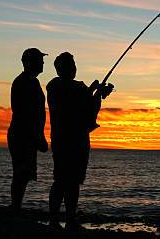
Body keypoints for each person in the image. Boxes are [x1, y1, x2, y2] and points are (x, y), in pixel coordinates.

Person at [47, 52, 114, 230]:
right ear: (60, 68)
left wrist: (99, 93)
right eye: (70, 65)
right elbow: (74, 103)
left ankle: (70, 219)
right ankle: (53, 220)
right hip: (63, 139)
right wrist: (92, 91)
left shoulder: (79, 87)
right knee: (61, 180)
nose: (73, 68)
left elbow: (89, 107)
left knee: (75, 180)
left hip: (80, 139)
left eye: (73, 64)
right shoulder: (55, 85)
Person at [7, 47, 49, 211]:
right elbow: (24, 112)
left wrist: (39, 135)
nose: (43, 63)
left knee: (23, 173)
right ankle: (15, 207)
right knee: (21, 172)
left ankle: (16, 207)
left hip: (28, 134)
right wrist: (36, 136)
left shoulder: (32, 81)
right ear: (30, 62)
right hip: (22, 134)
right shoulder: (23, 82)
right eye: (40, 60)